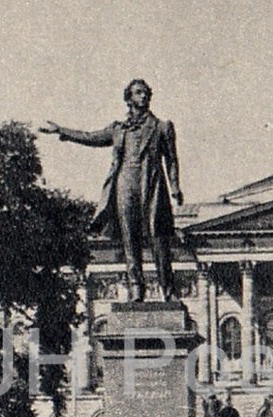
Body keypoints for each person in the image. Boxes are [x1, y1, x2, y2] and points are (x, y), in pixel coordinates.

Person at [39, 79, 182, 302]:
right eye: (138, 93)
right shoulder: (118, 129)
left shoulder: (162, 127)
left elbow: (171, 159)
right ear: (128, 99)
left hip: (153, 183)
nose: (143, 96)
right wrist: (62, 131)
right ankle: (136, 288)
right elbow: (90, 137)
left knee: (158, 238)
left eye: (145, 93)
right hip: (125, 185)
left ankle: (168, 290)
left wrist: (175, 186)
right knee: (129, 238)